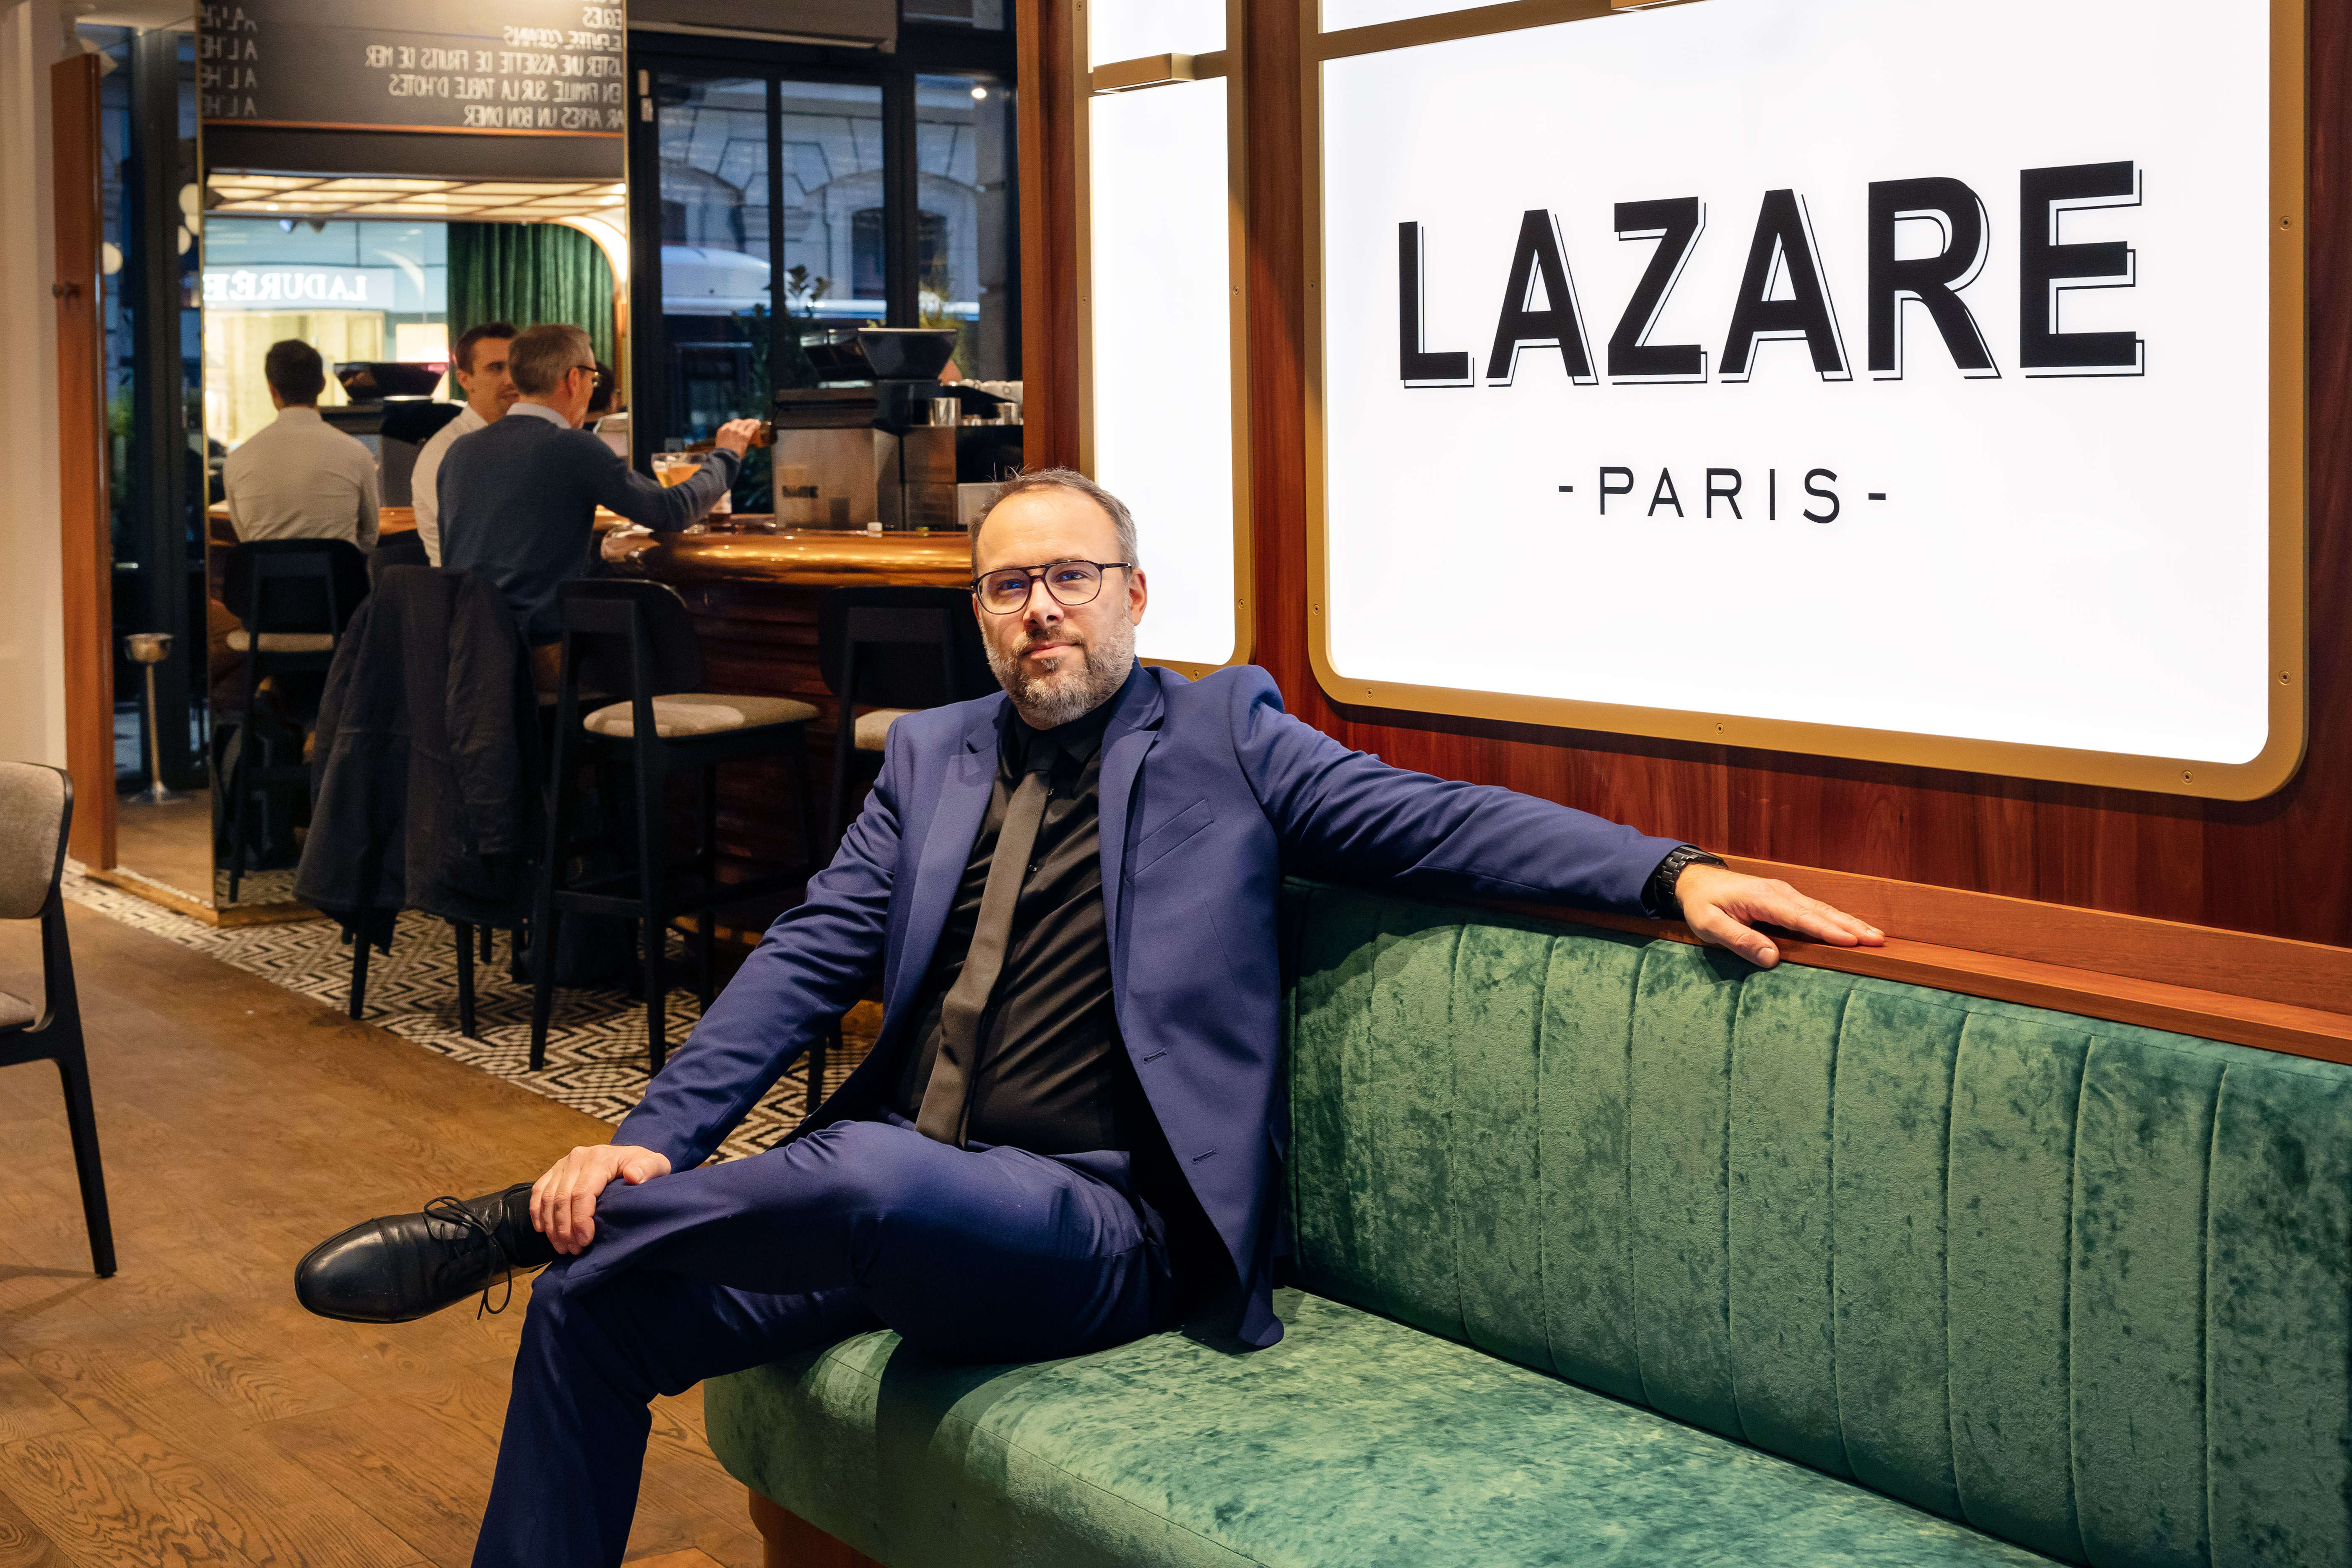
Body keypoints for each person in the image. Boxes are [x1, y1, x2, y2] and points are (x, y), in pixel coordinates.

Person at [294, 468, 1884, 1568]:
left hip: (1097, 1233)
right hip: (895, 1198)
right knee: (600, 1317)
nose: (1035, 610)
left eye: (1065, 579)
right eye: (1005, 587)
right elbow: (796, 961)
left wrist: (1666, 871)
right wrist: (648, 1136)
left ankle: (508, 1228)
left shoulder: (1226, 736)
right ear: (977, 616)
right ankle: (566, 1259)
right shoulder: (924, 759)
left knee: (857, 1175)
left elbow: (1435, 821)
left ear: (1129, 594)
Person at [436, 322, 755, 689]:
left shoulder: (459, 451)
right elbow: (672, 511)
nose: (592, 389)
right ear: (574, 379)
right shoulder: (571, 447)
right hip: (542, 654)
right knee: (677, 656)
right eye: (593, 379)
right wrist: (727, 456)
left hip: (468, 654)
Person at [221, 339, 378, 550]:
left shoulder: (237, 460)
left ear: (272, 389)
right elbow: (370, 537)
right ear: (322, 385)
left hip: (268, 582)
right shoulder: (357, 454)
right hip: (338, 581)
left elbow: (247, 541)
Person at [411, 322, 519, 567]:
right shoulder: (445, 452)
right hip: (469, 594)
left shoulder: (526, 440)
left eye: (517, 368)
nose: (511, 379)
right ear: (465, 379)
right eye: (497, 368)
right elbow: (483, 545)